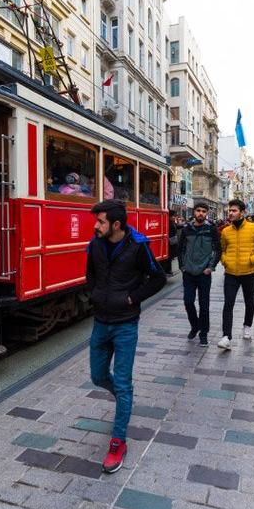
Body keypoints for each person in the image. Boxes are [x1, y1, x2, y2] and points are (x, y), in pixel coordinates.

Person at [86, 200, 166, 473]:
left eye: (101, 221)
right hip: (100, 322)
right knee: (98, 376)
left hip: (125, 325)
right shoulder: (95, 244)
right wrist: (94, 296)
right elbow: (91, 275)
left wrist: (132, 298)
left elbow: (158, 279)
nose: (95, 226)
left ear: (116, 225)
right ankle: (124, 398)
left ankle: (118, 441)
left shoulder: (138, 246)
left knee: (122, 381)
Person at [219, 199, 254, 349]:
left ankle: (247, 326)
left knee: (249, 301)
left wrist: (253, 259)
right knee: (228, 304)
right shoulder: (225, 231)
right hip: (230, 273)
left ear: (242, 213)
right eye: (230, 210)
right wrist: (225, 260)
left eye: (234, 211)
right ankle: (226, 336)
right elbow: (222, 249)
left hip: (248, 273)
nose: (230, 213)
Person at [177, 203, 221, 346]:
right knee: (188, 302)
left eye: (203, 211)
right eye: (198, 211)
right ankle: (195, 326)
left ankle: (203, 333)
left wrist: (211, 267)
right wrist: (182, 267)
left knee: (204, 305)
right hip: (188, 272)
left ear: (206, 213)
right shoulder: (186, 229)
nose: (200, 213)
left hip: (204, 273)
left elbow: (218, 250)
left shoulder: (211, 229)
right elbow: (181, 249)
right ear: (194, 212)